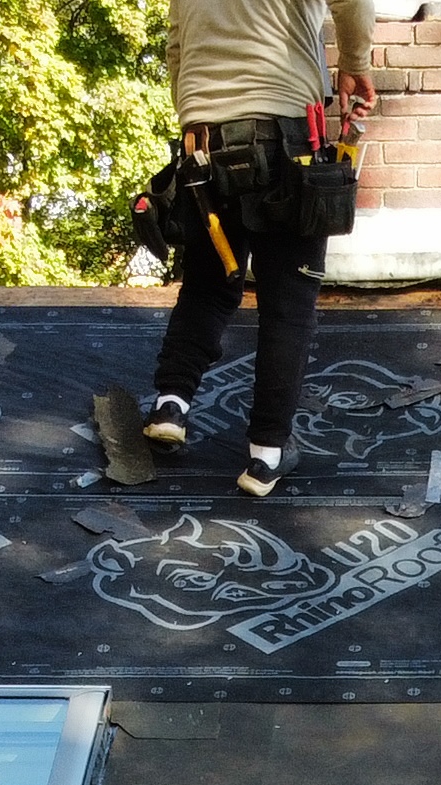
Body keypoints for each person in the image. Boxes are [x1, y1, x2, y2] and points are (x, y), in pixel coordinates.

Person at [139, 0, 376, 498]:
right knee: (288, 308)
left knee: (207, 286)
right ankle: (267, 455)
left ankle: (170, 405)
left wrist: (198, 115)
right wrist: (355, 65)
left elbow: (177, 50)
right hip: (285, 138)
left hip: (204, 145)